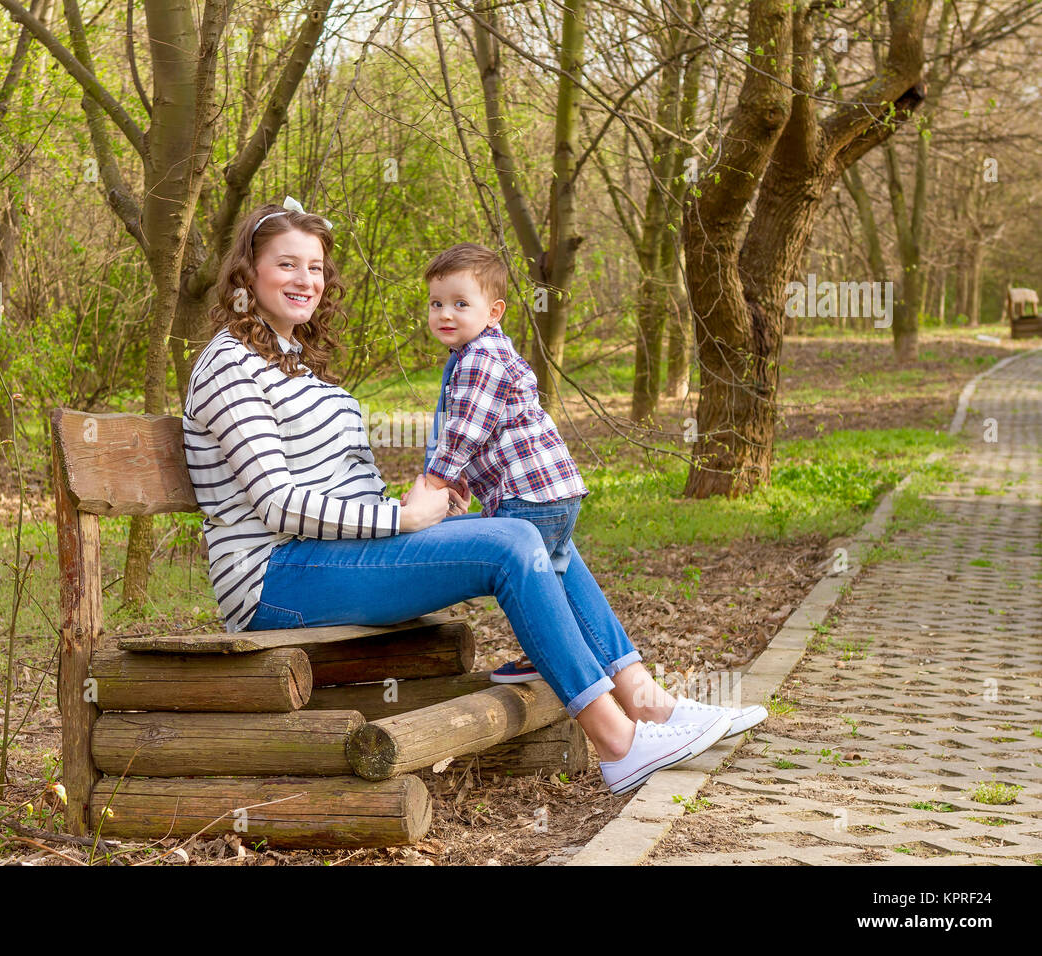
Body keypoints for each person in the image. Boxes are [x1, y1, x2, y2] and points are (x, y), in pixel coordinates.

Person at [182, 199, 752, 794]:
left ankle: (647, 702)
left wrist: (435, 508)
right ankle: (617, 743)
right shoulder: (229, 364)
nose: (306, 281)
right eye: (287, 265)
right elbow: (278, 504)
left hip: (335, 557)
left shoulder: (300, 364)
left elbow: (347, 487)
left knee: (537, 528)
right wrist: (401, 517)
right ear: (248, 272)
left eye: (316, 267)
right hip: (278, 579)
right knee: (513, 543)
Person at [419, 242, 589, 685]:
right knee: (549, 578)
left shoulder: (479, 359)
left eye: (460, 304)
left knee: (523, 585)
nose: (445, 314)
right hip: (558, 492)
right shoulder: (490, 352)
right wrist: (468, 481)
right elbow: (494, 431)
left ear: (493, 311)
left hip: (528, 498)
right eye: (437, 304)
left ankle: (549, 656)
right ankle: (567, 651)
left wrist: (435, 481)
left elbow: (465, 431)